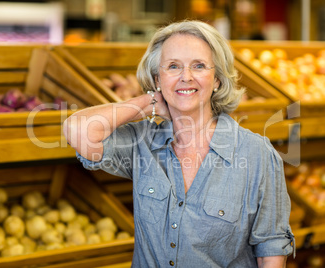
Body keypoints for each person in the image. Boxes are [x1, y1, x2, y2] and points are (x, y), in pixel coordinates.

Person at [63, 20, 295, 268]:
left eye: (199, 66)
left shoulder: (256, 153)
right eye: (173, 66)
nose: (186, 77)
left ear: (216, 79)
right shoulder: (142, 141)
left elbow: (270, 251)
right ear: (158, 79)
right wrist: (146, 103)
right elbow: (77, 130)